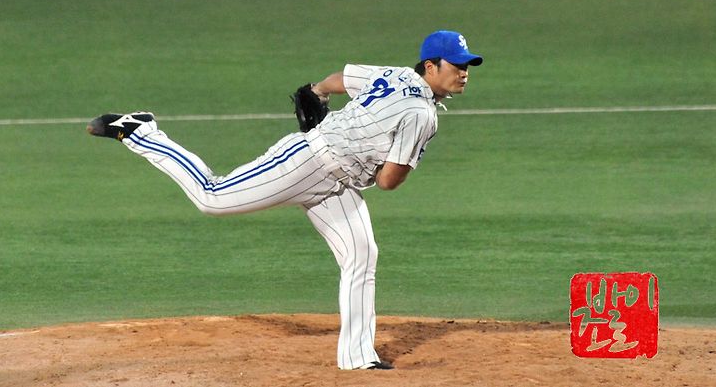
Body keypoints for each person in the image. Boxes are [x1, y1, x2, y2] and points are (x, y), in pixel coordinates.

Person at [87, 30, 483, 370]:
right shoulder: (421, 115)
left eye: (467, 65)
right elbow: (388, 182)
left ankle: (358, 357)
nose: (464, 72)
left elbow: (337, 80)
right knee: (212, 197)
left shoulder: (394, 74)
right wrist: (394, 156)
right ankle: (142, 131)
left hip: (336, 181)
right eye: (457, 64)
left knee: (361, 255)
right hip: (306, 162)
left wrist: (317, 92)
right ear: (430, 66)